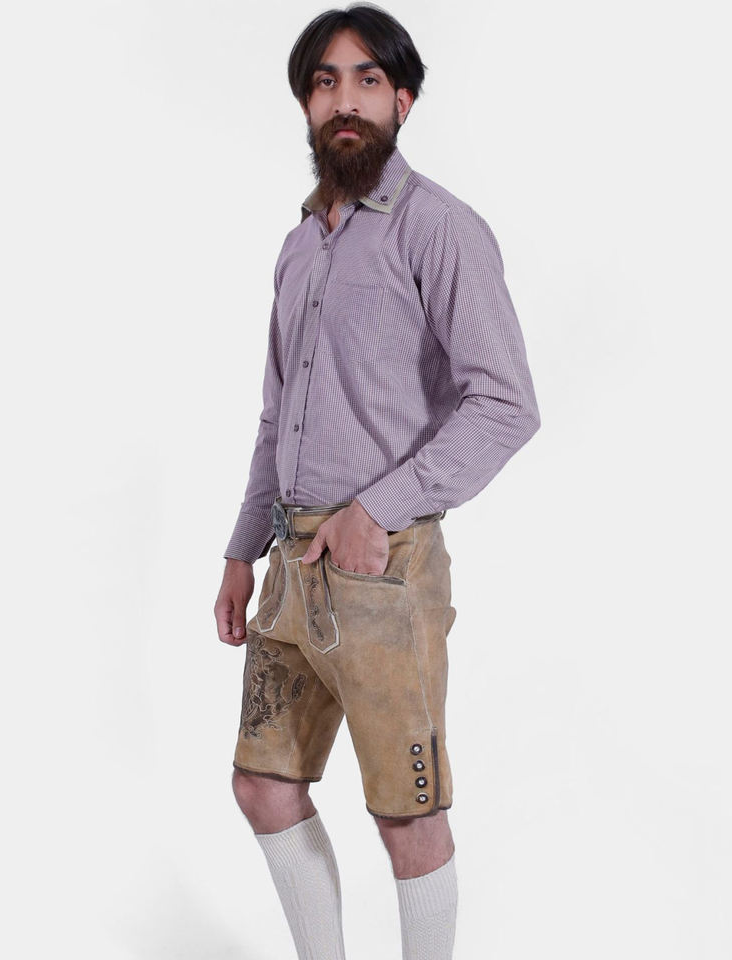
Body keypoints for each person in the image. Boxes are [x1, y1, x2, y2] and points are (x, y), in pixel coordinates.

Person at [214, 5, 540, 957]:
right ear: (306, 105)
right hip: (289, 569)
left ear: (403, 101)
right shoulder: (299, 246)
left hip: (383, 570)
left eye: (367, 80)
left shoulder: (440, 229)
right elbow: (277, 414)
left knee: (407, 817)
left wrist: (377, 510)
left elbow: (506, 404)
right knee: (263, 785)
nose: (345, 100)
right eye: (326, 82)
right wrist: (240, 551)